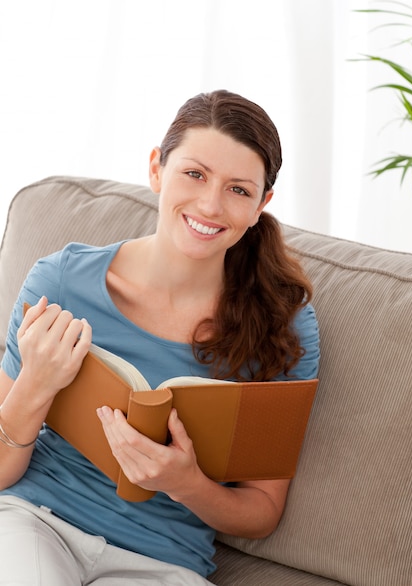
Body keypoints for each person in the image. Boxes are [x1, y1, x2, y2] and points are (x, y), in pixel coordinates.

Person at [0, 89, 320, 585]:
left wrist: (186, 483)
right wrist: (36, 382)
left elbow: (262, 510)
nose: (211, 204)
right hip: (36, 524)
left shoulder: (284, 324)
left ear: (262, 204)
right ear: (156, 169)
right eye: (195, 174)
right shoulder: (61, 281)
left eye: (239, 189)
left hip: (163, 562)